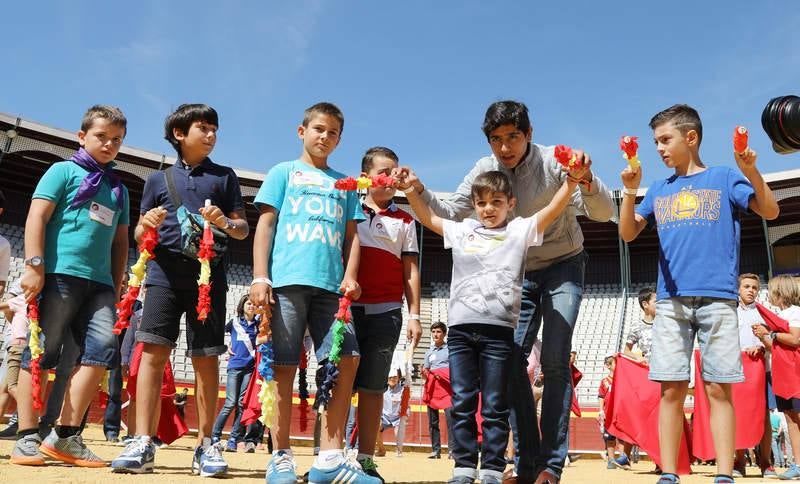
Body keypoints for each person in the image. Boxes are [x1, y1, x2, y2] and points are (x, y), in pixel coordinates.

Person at [399, 100, 615, 484]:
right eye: (496, 140)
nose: (505, 148)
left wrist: (586, 178)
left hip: (564, 262)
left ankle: (551, 464)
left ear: (529, 134)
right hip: (517, 276)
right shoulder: (485, 170)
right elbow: (448, 211)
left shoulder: (553, 161)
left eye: (513, 137)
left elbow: (601, 213)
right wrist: (417, 190)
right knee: (509, 360)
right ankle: (528, 460)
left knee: (553, 359)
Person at [619, 103, 779, 484]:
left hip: (718, 298)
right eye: (656, 140)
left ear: (690, 138)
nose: (659, 147)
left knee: (718, 389)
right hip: (671, 301)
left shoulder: (724, 178)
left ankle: (725, 473)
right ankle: (670, 472)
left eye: (665, 139)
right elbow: (627, 233)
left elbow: (770, 211)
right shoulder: (658, 188)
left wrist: (751, 172)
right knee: (670, 390)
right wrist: (628, 192)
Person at [403, 167, 583, 484]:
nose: (489, 209)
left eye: (496, 201)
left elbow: (551, 210)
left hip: (499, 332)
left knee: (496, 404)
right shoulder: (463, 230)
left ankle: (492, 468)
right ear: (474, 204)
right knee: (462, 400)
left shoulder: (519, 231)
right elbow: (428, 218)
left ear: (510, 203)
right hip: (460, 331)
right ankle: (463, 466)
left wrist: (569, 184)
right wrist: (410, 192)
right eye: (482, 202)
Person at [111, 104, 249, 477]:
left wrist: (224, 222)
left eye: (214, 129)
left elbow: (242, 230)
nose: (211, 135)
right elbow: (141, 234)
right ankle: (142, 440)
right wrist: (148, 223)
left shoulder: (225, 177)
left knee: (206, 358)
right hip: (162, 274)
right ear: (179, 134)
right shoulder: (157, 180)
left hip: (210, 276)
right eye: (203, 128)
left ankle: (207, 444)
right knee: (153, 354)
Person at [250, 102, 377, 484]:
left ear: (340, 140)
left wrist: (351, 275)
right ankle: (281, 456)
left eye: (333, 132)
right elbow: (266, 225)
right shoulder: (283, 172)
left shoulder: (346, 184)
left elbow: (353, 237)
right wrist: (260, 276)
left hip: (331, 287)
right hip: (287, 282)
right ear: (301, 130)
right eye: (319, 129)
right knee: (284, 368)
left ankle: (330, 459)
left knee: (347, 360)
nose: (325, 136)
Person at [11, 105, 130, 467]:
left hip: (101, 284)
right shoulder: (62, 171)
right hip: (60, 275)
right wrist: (34, 265)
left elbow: (120, 241)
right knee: (42, 352)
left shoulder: (119, 188)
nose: (109, 145)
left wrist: (118, 281)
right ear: (82, 136)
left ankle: (65, 436)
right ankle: (26, 437)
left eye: (117, 140)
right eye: (102, 137)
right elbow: (37, 216)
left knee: (102, 351)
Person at [350, 146, 422, 481]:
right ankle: (331, 456)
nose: (392, 178)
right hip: (345, 312)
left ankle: (365, 458)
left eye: (395, 172)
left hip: (387, 313)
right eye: (384, 171)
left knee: (373, 387)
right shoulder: (346, 207)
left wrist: (415, 314)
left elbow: (411, 270)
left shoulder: (406, 220)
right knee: (337, 384)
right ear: (366, 176)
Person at [752, 275, 800, 479]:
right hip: (785, 373)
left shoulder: (795, 313)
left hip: (794, 373)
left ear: (780, 292)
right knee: (791, 418)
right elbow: (778, 348)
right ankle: (798, 464)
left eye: (771, 290)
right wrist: (763, 337)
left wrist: (770, 334)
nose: (768, 294)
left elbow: (795, 339)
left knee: (796, 418)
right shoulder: (784, 314)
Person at [735, 273, 775, 478]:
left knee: (764, 416)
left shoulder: (764, 313)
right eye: (747, 286)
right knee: (737, 416)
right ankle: (739, 461)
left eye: (754, 288)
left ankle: (766, 463)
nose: (751, 290)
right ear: (738, 290)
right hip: (738, 372)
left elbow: (774, 342)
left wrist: (761, 346)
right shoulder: (730, 313)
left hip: (763, 370)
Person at [211, 294, 259, 452]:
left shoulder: (259, 324)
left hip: (250, 368)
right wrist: (225, 346)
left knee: (241, 404)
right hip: (234, 365)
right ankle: (215, 435)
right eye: (248, 304)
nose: (251, 306)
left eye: (253, 304)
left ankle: (233, 438)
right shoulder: (235, 322)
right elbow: (218, 332)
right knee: (230, 402)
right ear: (242, 306)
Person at [423, 321, 453, 460]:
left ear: (444, 334)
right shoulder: (428, 352)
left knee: (450, 421)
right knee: (432, 422)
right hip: (433, 388)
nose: (436, 334)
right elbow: (426, 369)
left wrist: (442, 374)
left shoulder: (450, 350)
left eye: (439, 331)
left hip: (447, 389)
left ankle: (452, 451)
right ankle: (436, 451)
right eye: (434, 332)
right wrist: (424, 373)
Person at [597, 355, 633, 470]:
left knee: (622, 437)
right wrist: (601, 410)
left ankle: (622, 460)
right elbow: (601, 396)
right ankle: (611, 460)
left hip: (621, 412)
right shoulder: (604, 381)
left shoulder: (623, 380)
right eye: (614, 363)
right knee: (610, 438)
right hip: (609, 412)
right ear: (608, 366)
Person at [376, 371, 410, 459]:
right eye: (390, 377)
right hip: (384, 417)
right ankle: (381, 449)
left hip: (397, 417)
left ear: (398, 378)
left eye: (395, 377)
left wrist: (405, 417)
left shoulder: (403, 390)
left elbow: (406, 405)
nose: (392, 379)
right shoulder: (382, 388)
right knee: (375, 427)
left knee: (398, 432)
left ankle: (399, 450)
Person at [624, 288, 656, 364]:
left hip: (666, 370)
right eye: (656, 302)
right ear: (645, 304)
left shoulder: (665, 323)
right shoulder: (636, 327)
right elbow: (626, 351)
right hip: (648, 371)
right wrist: (638, 357)